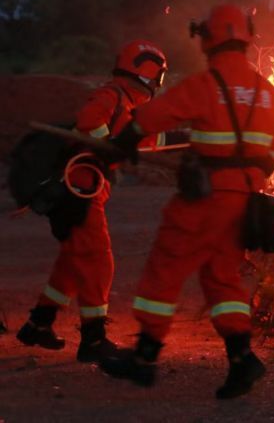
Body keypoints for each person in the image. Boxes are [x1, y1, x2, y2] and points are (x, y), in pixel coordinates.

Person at [98, 4, 274, 399]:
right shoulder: (266, 91)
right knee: (222, 277)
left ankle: (144, 358)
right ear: (246, 37)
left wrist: (123, 141)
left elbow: (154, 115)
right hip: (242, 200)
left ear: (208, 38)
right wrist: (258, 172)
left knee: (165, 267)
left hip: (202, 200)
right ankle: (242, 359)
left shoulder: (206, 85)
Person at [16, 41, 168, 362]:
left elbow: (140, 138)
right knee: (98, 261)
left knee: (73, 261)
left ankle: (38, 324)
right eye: (158, 76)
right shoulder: (111, 95)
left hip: (86, 189)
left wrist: (188, 138)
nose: (158, 84)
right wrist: (105, 144)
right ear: (145, 72)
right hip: (77, 190)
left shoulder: (126, 104)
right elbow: (89, 120)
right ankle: (93, 340)